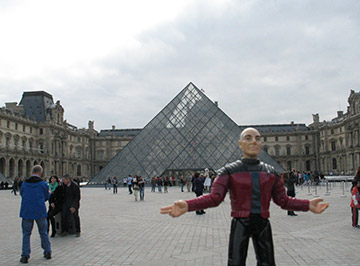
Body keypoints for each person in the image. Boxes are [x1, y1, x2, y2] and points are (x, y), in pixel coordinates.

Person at [161, 127, 329, 266]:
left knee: (268, 263)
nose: (254, 141)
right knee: (235, 263)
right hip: (240, 222)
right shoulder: (229, 171)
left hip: (263, 223)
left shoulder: (271, 172)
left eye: (257, 138)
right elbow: (214, 198)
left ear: (261, 143)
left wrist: (308, 205)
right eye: (248, 138)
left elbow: (283, 201)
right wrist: (188, 205)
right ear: (240, 144)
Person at [19, 165, 51, 263]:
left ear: (32, 172)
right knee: (43, 233)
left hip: (27, 211)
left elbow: (22, 194)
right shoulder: (43, 184)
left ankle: (25, 255)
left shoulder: (24, 183)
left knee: (26, 234)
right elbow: (47, 197)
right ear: (40, 173)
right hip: (39, 211)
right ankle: (47, 252)